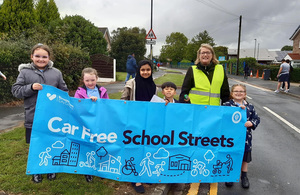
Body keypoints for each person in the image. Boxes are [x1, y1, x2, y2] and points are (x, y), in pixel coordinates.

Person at [11, 43, 68, 183]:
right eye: (37, 56)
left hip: (52, 117)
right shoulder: (24, 72)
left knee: (52, 142)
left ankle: (50, 169)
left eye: (44, 56)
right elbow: (16, 91)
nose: (41, 59)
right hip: (33, 116)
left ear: (49, 58)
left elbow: (64, 91)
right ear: (32, 57)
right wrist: (30, 87)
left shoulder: (56, 73)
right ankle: (36, 171)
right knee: (35, 145)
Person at [121, 59, 158, 194]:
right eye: (143, 70)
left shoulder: (154, 85)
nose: (145, 72)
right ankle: (135, 178)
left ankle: (144, 174)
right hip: (134, 122)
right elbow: (123, 100)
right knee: (135, 149)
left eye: (148, 70)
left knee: (146, 148)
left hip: (148, 122)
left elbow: (156, 104)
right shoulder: (131, 83)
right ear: (138, 70)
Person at [74, 67, 109, 182]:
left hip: (100, 123)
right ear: (83, 80)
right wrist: (89, 101)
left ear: (97, 78)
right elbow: (77, 107)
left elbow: (107, 105)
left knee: (99, 145)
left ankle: (100, 168)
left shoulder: (102, 91)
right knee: (87, 146)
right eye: (87, 80)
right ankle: (88, 170)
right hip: (86, 124)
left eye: (92, 80)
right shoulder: (79, 92)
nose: (90, 83)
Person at [223, 84, 260, 189]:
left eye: (241, 91)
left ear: (245, 94)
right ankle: (230, 176)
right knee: (231, 156)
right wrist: (238, 110)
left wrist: (251, 123)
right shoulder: (227, 105)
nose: (238, 93)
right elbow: (222, 118)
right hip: (231, 138)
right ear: (232, 93)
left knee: (244, 157)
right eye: (236, 91)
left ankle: (244, 176)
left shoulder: (250, 106)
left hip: (245, 138)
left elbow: (257, 118)